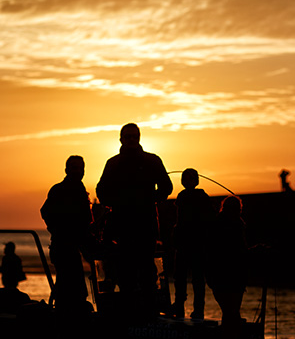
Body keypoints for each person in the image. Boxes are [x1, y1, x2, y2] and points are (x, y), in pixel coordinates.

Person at [96, 123, 172, 309]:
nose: (131, 139)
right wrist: (117, 203)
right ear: (121, 139)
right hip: (121, 226)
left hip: (146, 224)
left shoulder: (152, 161)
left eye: (134, 136)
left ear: (139, 138)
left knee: (147, 270)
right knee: (124, 271)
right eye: (127, 136)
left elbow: (166, 187)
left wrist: (149, 200)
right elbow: (101, 190)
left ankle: (149, 313)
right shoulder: (112, 163)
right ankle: (130, 312)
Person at [41, 155, 93, 312]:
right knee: (69, 287)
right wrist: (60, 231)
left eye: (80, 168)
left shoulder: (81, 190)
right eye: (74, 167)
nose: (77, 171)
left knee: (71, 286)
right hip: (63, 247)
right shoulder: (59, 190)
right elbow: (45, 212)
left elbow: (84, 223)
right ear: (66, 170)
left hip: (74, 245)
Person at [172, 168, 214, 319]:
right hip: (184, 243)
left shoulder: (198, 197)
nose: (186, 181)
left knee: (197, 278)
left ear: (196, 181)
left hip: (196, 244)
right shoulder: (184, 196)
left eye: (189, 179)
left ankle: (197, 310)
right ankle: (179, 306)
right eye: (184, 179)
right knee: (180, 278)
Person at [206, 196, 249, 325]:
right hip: (229, 277)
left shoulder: (216, 223)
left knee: (230, 312)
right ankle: (233, 338)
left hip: (221, 277)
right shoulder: (237, 225)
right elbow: (239, 251)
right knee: (232, 311)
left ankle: (229, 338)